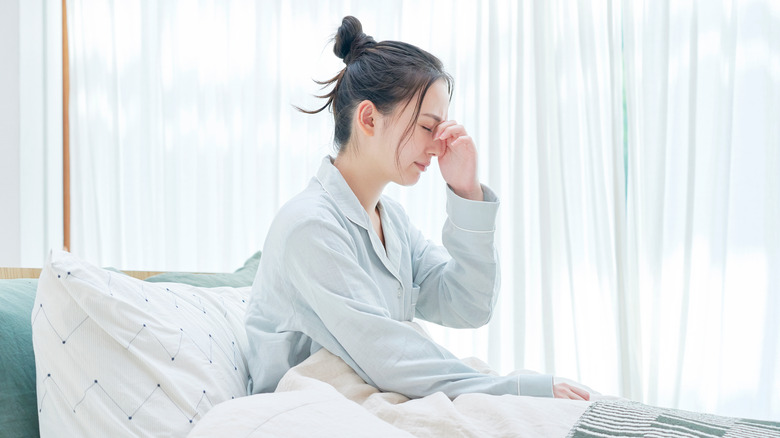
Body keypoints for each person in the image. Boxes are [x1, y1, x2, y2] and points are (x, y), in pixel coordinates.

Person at [244, 16, 589, 402]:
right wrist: (515, 390)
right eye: (428, 127)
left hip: (362, 399)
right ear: (369, 118)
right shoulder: (309, 226)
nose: (437, 145)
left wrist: (466, 192)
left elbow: (468, 306)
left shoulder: (392, 222)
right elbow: (388, 355)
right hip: (304, 409)